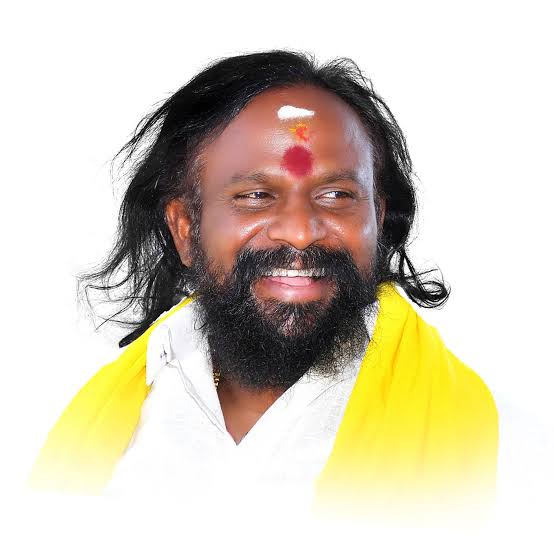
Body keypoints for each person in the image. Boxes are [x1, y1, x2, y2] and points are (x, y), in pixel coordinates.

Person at [27, 50, 497, 521]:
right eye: (255, 196)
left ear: (377, 218)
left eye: (336, 195)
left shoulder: (482, 435)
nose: (300, 231)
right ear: (185, 229)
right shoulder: (105, 414)